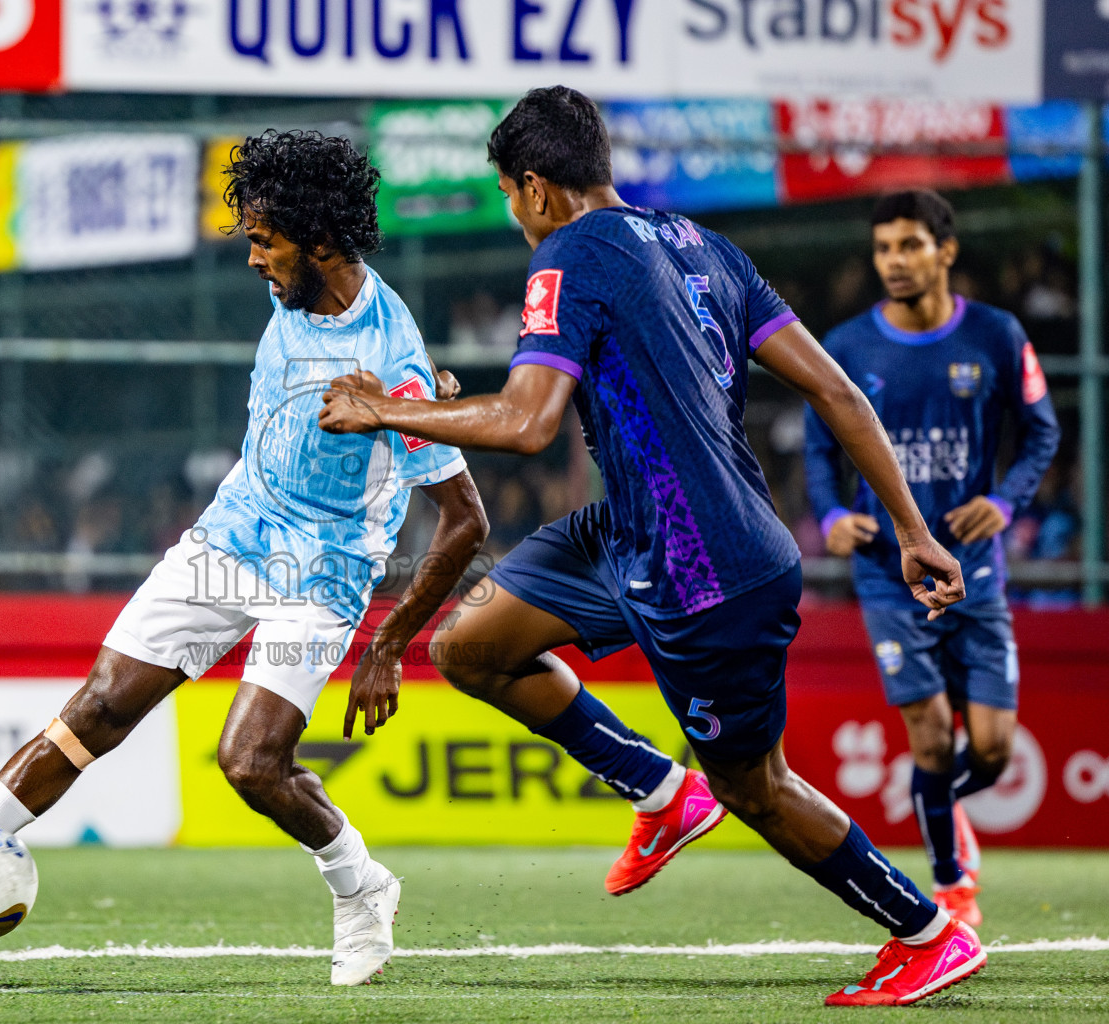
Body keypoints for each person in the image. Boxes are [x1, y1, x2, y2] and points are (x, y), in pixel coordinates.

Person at [318, 86, 983, 1008]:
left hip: (709, 569)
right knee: (468, 647)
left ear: (537, 187)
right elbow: (839, 394)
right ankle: (661, 795)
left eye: (511, 197)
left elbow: (524, 423)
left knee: (758, 786)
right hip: (623, 532)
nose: (515, 217)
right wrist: (915, 530)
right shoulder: (703, 246)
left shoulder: (565, 256)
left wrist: (382, 409)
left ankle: (927, 932)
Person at [0, 130, 489, 987]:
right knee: (102, 704)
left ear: (322, 241)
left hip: (323, 573)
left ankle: (361, 886)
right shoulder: (300, 292)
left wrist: (387, 645)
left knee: (250, 762)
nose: (254, 258)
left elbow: (464, 520)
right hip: (232, 536)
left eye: (267, 241)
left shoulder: (391, 362)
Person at [805, 189, 1060, 928]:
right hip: (888, 573)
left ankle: (949, 807)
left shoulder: (997, 334)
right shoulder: (849, 347)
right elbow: (822, 446)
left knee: (992, 751)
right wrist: (833, 515)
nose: (895, 262)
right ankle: (951, 884)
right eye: (884, 248)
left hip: (975, 568)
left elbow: (1040, 432)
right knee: (926, 731)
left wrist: (1007, 503)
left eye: (911, 245)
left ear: (945, 251)